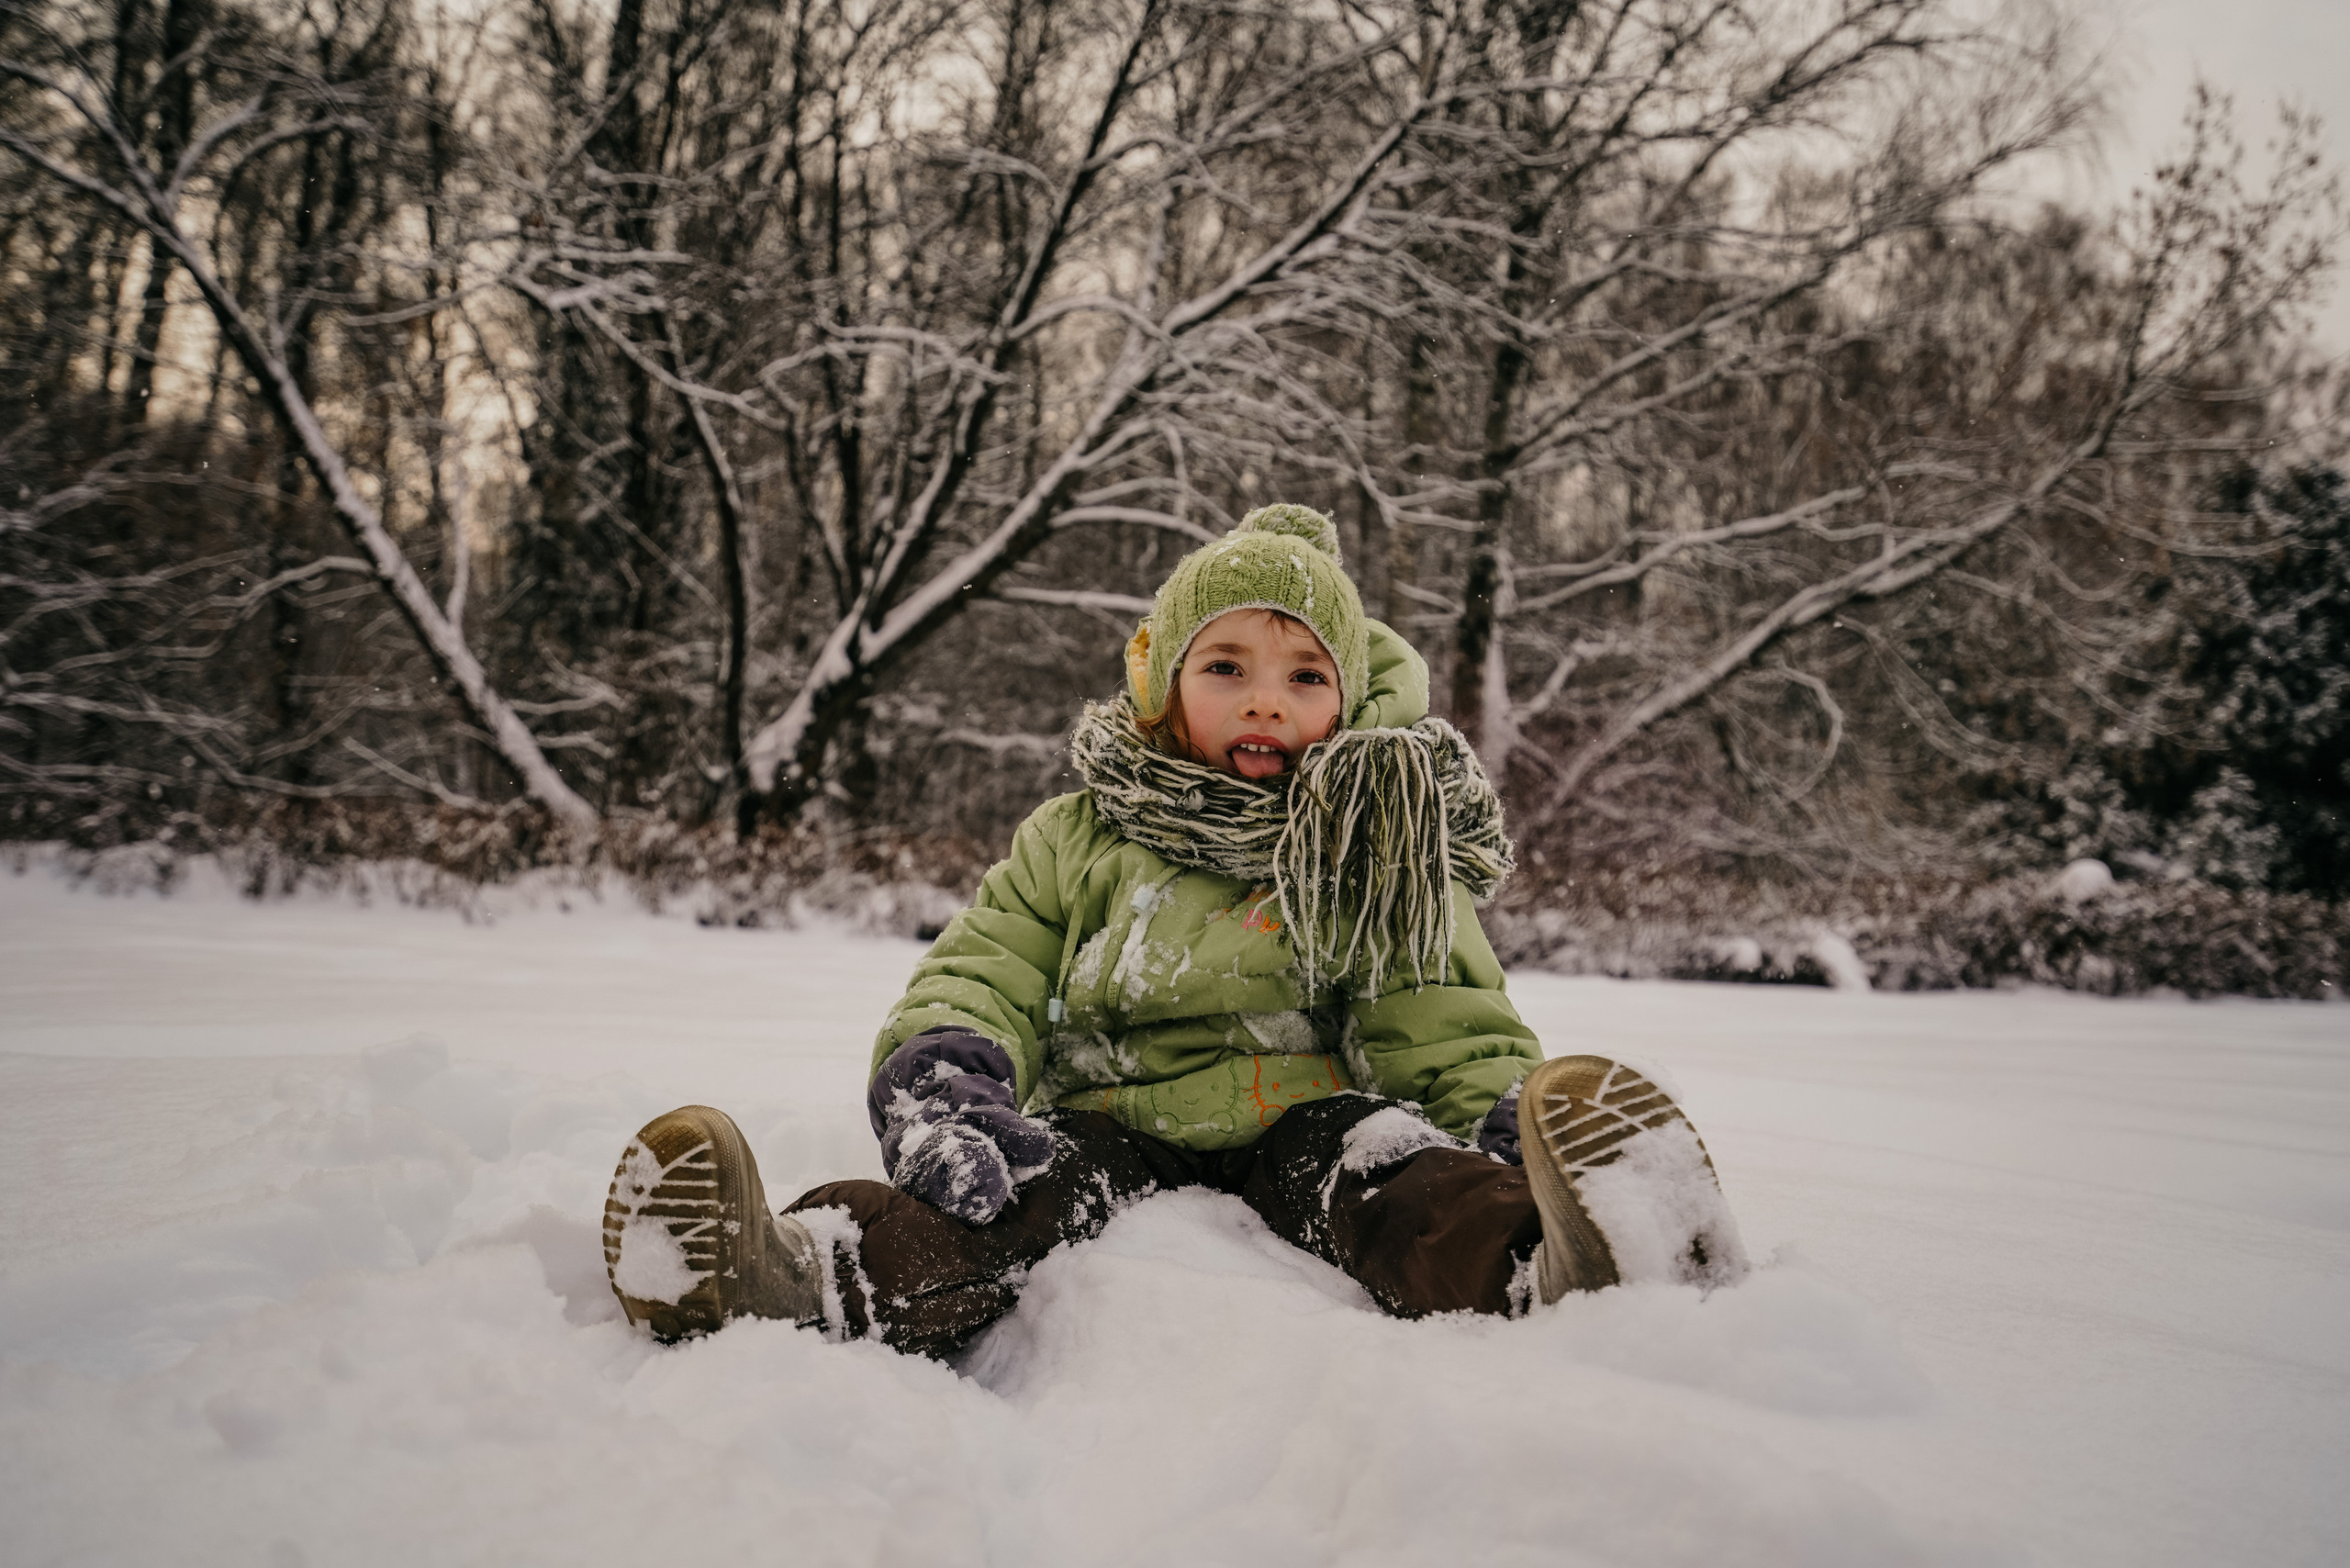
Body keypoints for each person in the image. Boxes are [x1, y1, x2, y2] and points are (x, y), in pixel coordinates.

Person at [600, 504, 1746, 1351]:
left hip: (1301, 1123)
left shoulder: (1369, 843)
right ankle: (794, 1272)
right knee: (999, 1202)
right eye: (1228, 665)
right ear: (1163, 685)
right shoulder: (1080, 832)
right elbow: (985, 965)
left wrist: (1501, 1122)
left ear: (1343, 702)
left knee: (1391, 1171)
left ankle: (1551, 1252)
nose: (1266, 699)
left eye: (1305, 675)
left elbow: (1437, 1013)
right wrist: (949, 1085)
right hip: (1111, 1123)